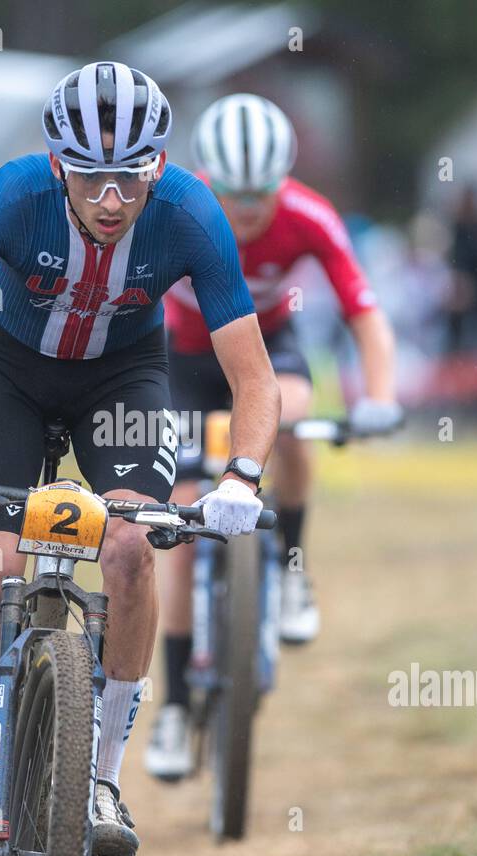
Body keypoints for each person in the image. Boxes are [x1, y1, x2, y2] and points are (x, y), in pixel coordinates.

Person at [0, 62, 279, 856]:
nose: (111, 200)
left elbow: (255, 377)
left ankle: (100, 779)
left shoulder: (192, 214)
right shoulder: (12, 198)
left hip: (120, 381)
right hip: (10, 373)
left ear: (158, 166)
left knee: (130, 549)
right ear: (58, 164)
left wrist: (242, 475)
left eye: (131, 178)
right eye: (91, 177)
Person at [146, 94, 401, 780]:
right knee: (181, 518)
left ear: (284, 180)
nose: (250, 209)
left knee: (291, 418)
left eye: (263, 194)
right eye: (233, 195)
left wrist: (379, 396)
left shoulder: (309, 216)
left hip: (265, 351)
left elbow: (365, 311)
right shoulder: (172, 209)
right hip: (184, 364)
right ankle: (172, 705)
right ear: (208, 179)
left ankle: (292, 572)